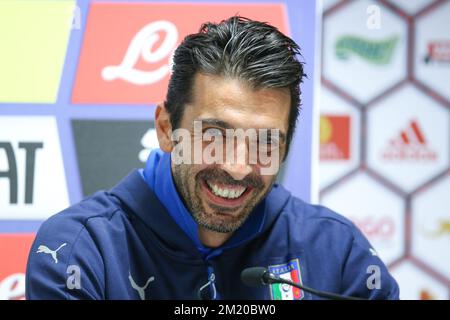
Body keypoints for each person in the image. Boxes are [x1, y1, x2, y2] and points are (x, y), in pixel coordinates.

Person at [26, 16, 399, 300]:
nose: (237, 167)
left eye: (265, 142)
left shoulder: (335, 250)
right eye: (215, 136)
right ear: (166, 128)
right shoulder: (80, 248)